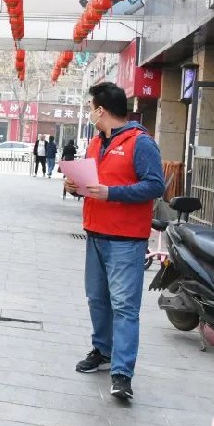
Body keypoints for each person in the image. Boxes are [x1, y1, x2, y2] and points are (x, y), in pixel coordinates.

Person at [66, 82, 164, 401]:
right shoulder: (96, 142)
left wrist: (112, 194)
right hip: (95, 232)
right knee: (97, 299)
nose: (89, 113)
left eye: (90, 107)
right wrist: (75, 186)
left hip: (126, 240)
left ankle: (122, 372)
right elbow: (94, 183)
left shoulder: (141, 143)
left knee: (124, 306)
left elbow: (154, 186)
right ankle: (102, 351)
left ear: (101, 110)